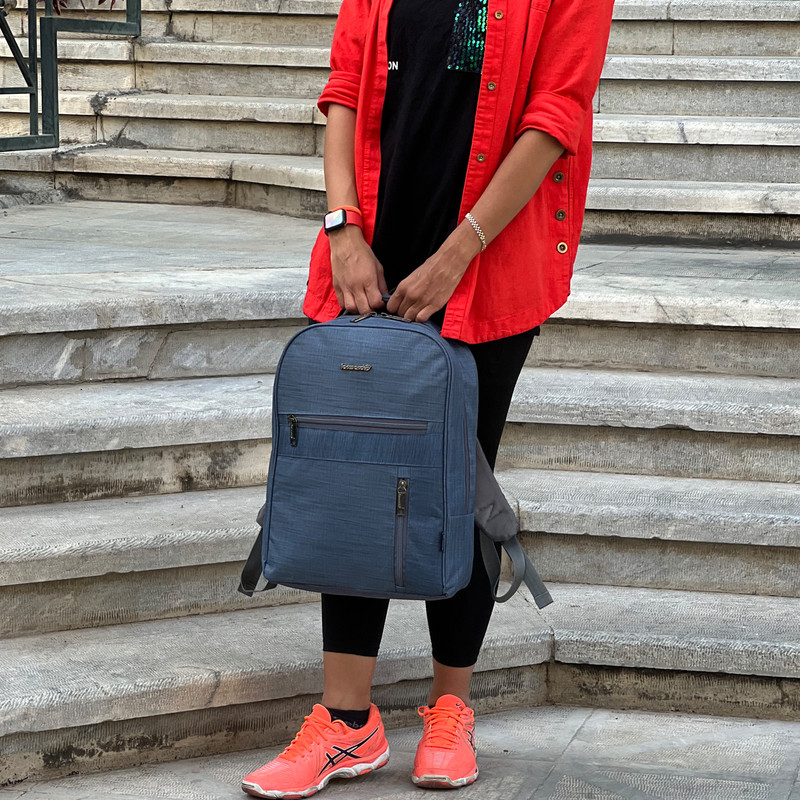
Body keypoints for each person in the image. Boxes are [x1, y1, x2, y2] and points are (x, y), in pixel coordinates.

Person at [242, 0, 614, 795]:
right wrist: (343, 229)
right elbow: (344, 88)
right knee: (353, 475)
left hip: (487, 260)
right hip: (372, 251)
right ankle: (347, 722)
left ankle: (451, 710)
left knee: (463, 482)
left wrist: (458, 253)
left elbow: (555, 116)